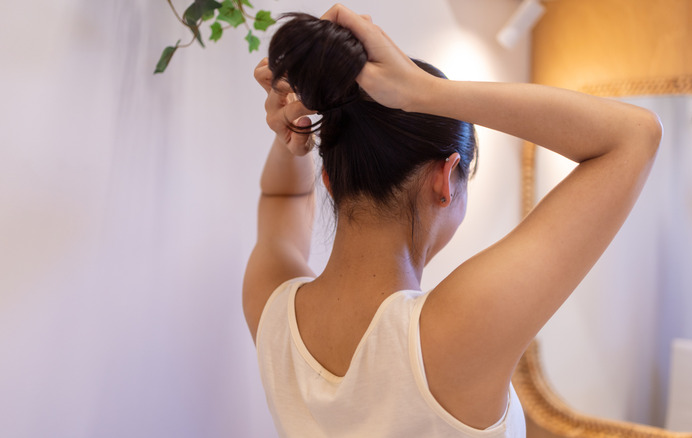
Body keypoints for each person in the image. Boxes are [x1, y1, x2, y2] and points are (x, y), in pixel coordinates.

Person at [242, 4, 662, 437]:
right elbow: (634, 134)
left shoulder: (271, 309)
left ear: (327, 181)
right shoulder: (451, 333)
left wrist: (291, 135)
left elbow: (281, 195)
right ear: (444, 179)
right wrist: (420, 92)